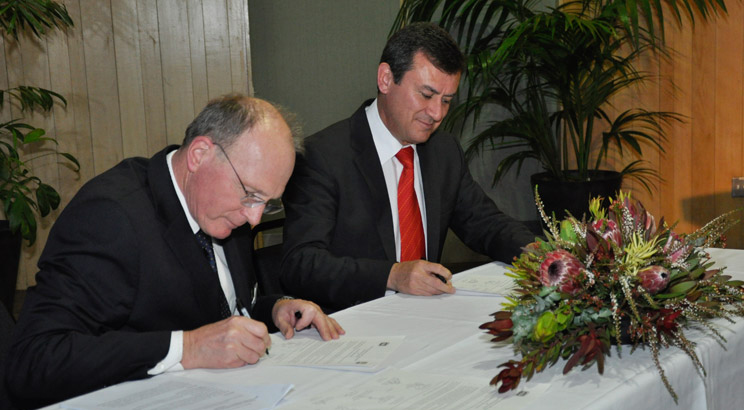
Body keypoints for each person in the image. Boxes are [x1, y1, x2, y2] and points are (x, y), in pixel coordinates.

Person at [3, 94, 344, 409]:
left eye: (267, 204)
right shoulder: (110, 216)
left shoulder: (222, 208)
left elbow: (225, 308)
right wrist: (189, 347)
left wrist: (276, 309)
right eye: (251, 195)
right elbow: (34, 360)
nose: (254, 218)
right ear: (199, 155)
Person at [280, 23, 536, 312]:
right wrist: (392, 275)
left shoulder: (443, 151)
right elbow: (300, 264)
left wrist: (535, 252)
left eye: (446, 101)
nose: (436, 113)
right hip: (352, 324)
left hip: (428, 316)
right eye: (426, 95)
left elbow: (485, 222)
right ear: (386, 79)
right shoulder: (323, 156)